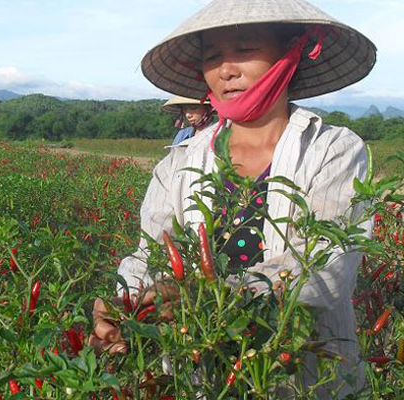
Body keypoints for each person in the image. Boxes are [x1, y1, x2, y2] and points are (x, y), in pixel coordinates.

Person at [89, 0, 377, 398]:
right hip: (203, 374)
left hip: (305, 376)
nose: (226, 69)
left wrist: (214, 294)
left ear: (290, 55)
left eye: (244, 51)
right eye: (212, 57)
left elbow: (328, 268)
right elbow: (151, 253)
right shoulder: (183, 160)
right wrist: (127, 301)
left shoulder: (333, 150)